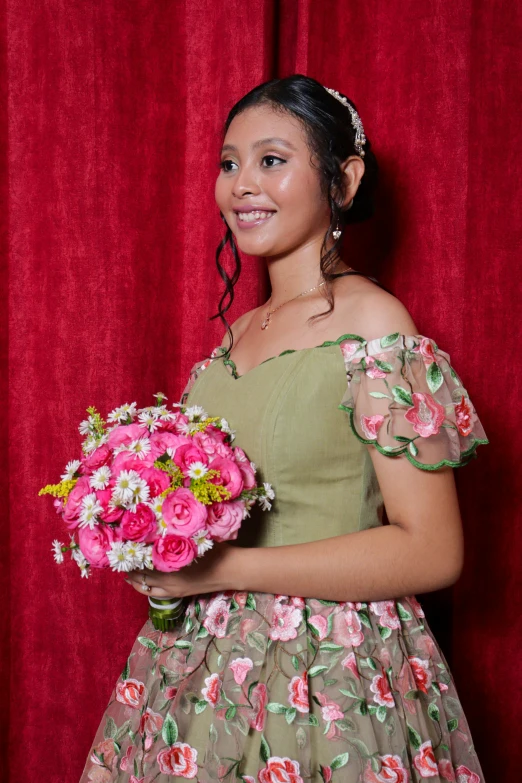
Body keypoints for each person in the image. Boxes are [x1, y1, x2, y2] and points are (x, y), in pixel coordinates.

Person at [80, 74, 489, 783]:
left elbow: (433, 549)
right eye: (228, 162)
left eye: (272, 160)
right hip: (201, 678)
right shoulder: (229, 339)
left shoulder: (375, 325)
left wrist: (224, 570)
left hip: (331, 681)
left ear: (345, 178)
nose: (242, 184)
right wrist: (150, 546)